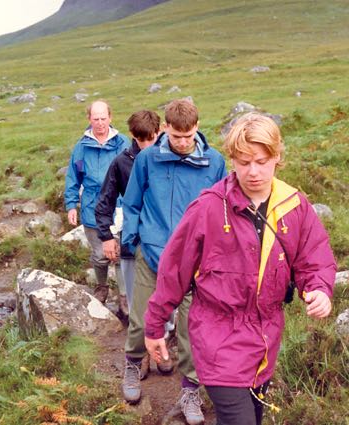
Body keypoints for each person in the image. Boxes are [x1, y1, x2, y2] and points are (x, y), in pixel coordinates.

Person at [144, 113, 336, 425]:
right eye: (243, 162)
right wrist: (154, 327)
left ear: (276, 157)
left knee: (253, 418)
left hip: (265, 340)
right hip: (217, 336)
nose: (253, 171)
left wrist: (319, 289)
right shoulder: (209, 207)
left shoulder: (294, 205)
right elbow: (174, 271)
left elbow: (315, 258)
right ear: (232, 160)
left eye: (261, 161)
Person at [121, 98, 227, 424]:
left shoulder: (215, 163)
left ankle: (190, 389)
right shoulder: (148, 159)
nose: (183, 143)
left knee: (191, 330)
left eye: (189, 135)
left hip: (195, 263)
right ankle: (133, 362)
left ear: (197, 127)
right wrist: (132, 240)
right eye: (177, 136)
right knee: (140, 319)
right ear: (165, 128)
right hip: (152, 255)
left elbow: (221, 210)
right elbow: (133, 203)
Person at [95, 109, 160, 317]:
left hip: (164, 237)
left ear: (159, 132)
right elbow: (105, 200)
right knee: (135, 297)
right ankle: (139, 334)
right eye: (141, 140)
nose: (147, 145)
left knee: (165, 294)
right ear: (132, 135)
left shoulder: (170, 158)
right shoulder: (121, 163)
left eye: (151, 139)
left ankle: (167, 333)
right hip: (133, 238)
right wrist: (106, 236)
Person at [65, 100, 130, 303]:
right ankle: (102, 287)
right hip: (92, 207)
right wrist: (71, 205)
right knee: (100, 254)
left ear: (110, 117)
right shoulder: (81, 147)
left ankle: (124, 295)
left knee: (121, 255)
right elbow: (73, 177)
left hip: (120, 207)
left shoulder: (124, 143)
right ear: (89, 119)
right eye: (96, 119)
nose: (100, 123)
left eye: (103, 118)